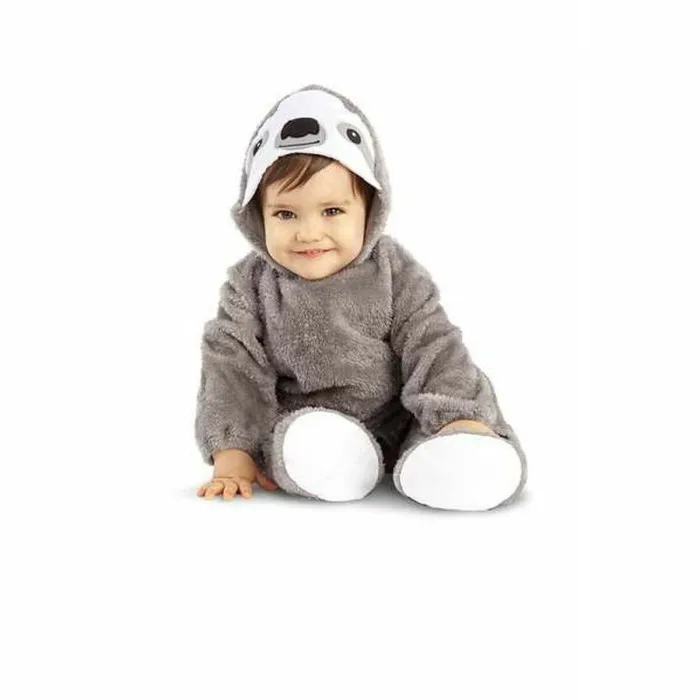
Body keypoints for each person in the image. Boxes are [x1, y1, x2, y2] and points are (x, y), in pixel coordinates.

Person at [194, 84, 527, 510]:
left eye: (332, 211)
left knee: (455, 422)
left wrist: (457, 414)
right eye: (285, 214)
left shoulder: (393, 271)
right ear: (257, 217)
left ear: (371, 209)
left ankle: (458, 451)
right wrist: (233, 451)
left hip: (400, 420)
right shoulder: (250, 285)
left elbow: (433, 345)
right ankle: (334, 462)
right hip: (307, 424)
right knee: (301, 442)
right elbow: (231, 365)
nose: (308, 233)